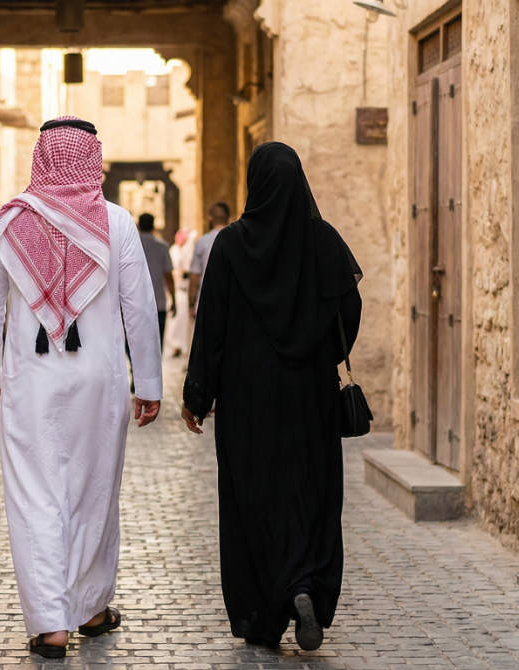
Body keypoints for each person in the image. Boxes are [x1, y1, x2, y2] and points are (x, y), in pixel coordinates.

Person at [0, 116, 163, 659]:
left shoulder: (11, 220)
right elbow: (140, 310)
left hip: (30, 381)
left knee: (35, 497)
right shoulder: (117, 223)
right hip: (98, 382)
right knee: (94, 492)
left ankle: (51, 624)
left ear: (41, 157)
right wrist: (147, 382)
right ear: (92, 159)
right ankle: (93, 609)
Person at [180, 143, 363, 651]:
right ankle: (305, 583)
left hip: (247, 398)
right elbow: (348, 309)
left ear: (254, 184)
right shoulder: (323, 242)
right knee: (310, 490)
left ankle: (264, 613)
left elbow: (210, 326)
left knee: (252, 497)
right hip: (310, 397)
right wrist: (320, 348)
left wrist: (198, 394)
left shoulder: (231, 245)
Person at [136, 213, 175, 353]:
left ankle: (136, 371)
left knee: (135, 342)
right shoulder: (162, 247)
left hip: (136, 303)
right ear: (153, 226)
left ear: (138, 226)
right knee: (157, 343)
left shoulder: (132, 245)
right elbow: (168, 275)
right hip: (158, 302)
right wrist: (173, 299)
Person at [187, 202, 230, 319]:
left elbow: (195, 274)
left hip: (207, 302)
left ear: (210, 218)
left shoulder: (202, 241)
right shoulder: (237, 239)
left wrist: (192, 302)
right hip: (231, 303)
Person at [166, 229, 195, 358]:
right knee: (175, 322)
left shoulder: (189, 250)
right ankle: (176, 346)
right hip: (177, 289)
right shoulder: (173, 250)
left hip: (186, 289)